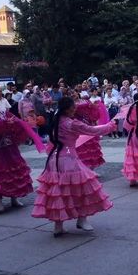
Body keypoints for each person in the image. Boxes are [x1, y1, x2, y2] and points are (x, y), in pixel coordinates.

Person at [33, 96, 117, 236]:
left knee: (58, 192)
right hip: (68, 160)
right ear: (67, 109)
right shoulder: (72, 124)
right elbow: (93, 130)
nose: (74, 110)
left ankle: (59, 225)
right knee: (81, 189)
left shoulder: (56, 121)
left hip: (54, 160)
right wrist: (111, 126)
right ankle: (81, 219)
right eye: (73, 108)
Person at [0, 100, 37, 216]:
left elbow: (18, 123)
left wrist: (15, 123)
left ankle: (14, 199)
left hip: (11, 148)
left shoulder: (4, 113)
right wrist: (7, 123)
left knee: (14, 173)